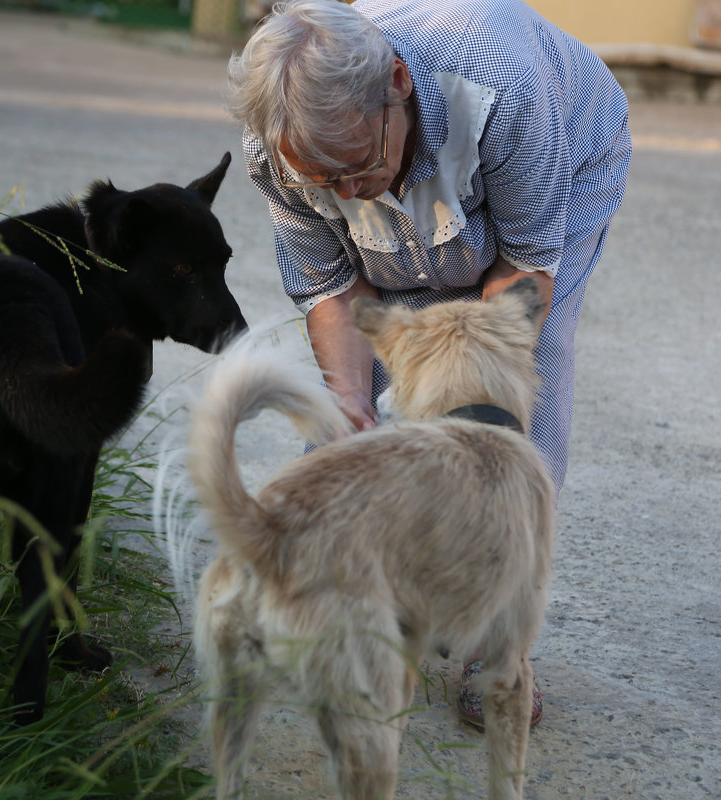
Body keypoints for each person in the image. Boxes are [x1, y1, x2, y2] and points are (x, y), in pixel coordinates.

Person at [226, 0, 631, 729]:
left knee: (510, 389)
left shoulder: (502, 85)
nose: (348, 195)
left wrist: (464, 418)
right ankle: (352, 613)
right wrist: (349, 403)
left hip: (566, 154)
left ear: (399, 84)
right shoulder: (280, 149)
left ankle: (496, 643)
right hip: (405, 160)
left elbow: (522, 272)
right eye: (323, 181)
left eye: (355, 167)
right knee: (348, 415)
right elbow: (331, 286)